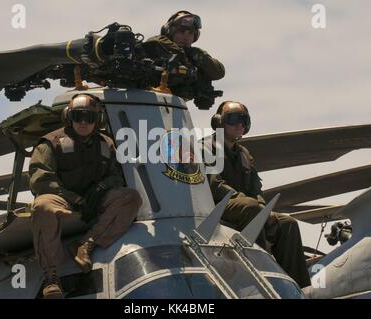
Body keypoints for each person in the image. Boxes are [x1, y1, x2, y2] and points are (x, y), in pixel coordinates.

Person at [29, 94, 142, 298]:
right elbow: (41, 179)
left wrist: (100, 188)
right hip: (64, 198)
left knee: (131, 197)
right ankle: (51, 276)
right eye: (78, 116)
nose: (83, 122)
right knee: (43, 205)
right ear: (68, 117)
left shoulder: (106, 144)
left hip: (93, 199)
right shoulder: (51, 143)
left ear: (97, 121)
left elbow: (115, 175)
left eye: (89, 117)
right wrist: (74, 199)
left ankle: (86, 243)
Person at [206, 100, 311, 288]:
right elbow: (215, 185)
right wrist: (251, 203)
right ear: (219, 122)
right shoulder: (206, 148)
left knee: (288, 223)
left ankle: (300, 287)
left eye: (244, 120)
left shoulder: (244, 153)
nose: (241, 124)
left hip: (246, 207)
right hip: (215, 206)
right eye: (235, 119)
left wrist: (263, 208)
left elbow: (255, 189)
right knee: (253, 208)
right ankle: (260, 274)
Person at [143, 10, 225, 107]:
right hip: (143, 106)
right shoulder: (157, 44)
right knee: (143, 123)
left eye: (190, 33)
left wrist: (196, 55)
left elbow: (218, 72)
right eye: (182, 32)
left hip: (173, 109)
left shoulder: (194, 55)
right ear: (169, 31)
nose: (186, 37)